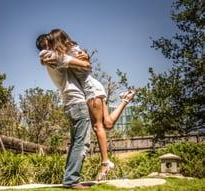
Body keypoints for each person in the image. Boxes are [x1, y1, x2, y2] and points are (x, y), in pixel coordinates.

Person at [38, 29, 137, 181]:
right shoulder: (66, 52)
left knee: (98, 126)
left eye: (51, 42)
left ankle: (105, 163)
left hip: (90, 89)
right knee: (108, 124)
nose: (49, 46)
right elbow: (55, 57)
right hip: (94, 87)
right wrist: (86, 57)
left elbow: (86, 66)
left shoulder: (67, 53)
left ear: (56, 41)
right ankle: (125, 99)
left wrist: (86, 58)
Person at [36, 33, 93, 189]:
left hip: (70, 103)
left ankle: (69, 179)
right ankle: (72, 180)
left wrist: (85, 55)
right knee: (82, 142)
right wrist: (85, 59)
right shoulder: (52, 56)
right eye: (51, 42)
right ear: (46, 45)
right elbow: (87, 66)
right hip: (77, 103)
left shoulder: (52, 57)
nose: (55, 43)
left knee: (76, 142)